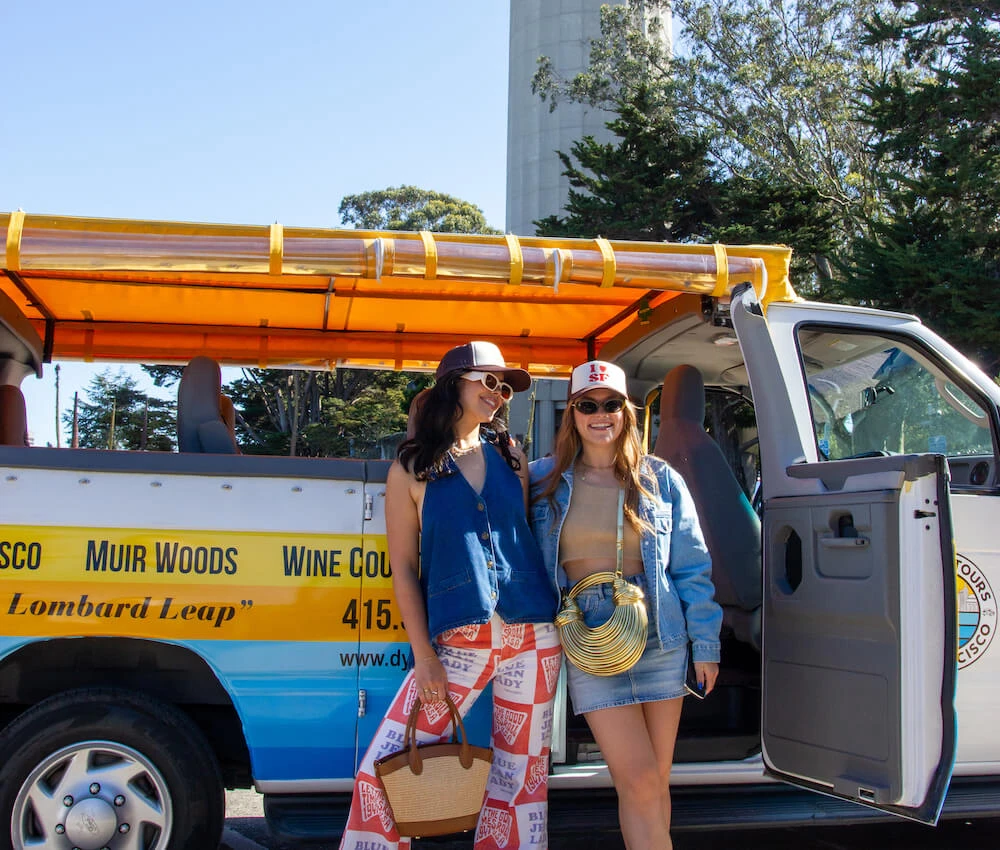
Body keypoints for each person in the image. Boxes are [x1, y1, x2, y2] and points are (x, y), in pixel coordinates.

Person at [339, 341, 562, 850]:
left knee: (521, 785)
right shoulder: (410, 470)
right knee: (383, 773)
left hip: (534, 637)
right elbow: (403, 569)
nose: (499, 394)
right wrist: (425, 657)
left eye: (505, 387)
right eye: (489, 381)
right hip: (460, 641)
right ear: (453, 384)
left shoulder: (512, 458)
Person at [529, 360, 722, 850]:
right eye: (588, 405)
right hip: (589, 635)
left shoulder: (658, 479)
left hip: (660, 629)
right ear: (571, 414)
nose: (601, 414)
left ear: (626, 413)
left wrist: (705, 643)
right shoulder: (540, 480)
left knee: (654, 780)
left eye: (612, 404)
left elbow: (691, 567)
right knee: (636, 779)